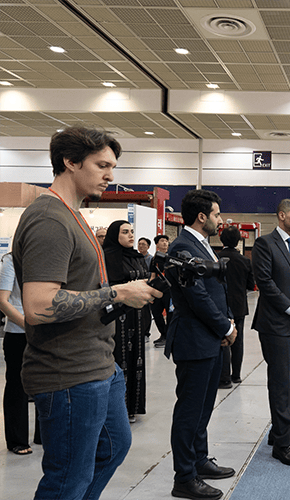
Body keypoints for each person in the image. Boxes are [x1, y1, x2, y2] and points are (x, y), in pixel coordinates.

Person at [12, 124, 160, 500]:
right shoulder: (49, 219)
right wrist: (117, 292)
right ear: (70, 162)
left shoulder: (73, 213)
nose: (110, 175)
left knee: (112, 448)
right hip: (68, 374)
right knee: (68, 478)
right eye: (102, 165)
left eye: (112, 167)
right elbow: (39, 306)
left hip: (98, 364)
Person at [164, 189, 237, 500]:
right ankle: (184, 477)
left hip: (210, 338)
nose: (221, 220)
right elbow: (197, 297)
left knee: (204, 407)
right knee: (189, 411)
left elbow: (217, 290)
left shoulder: (203, 245)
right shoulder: (182, 247)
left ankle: (199, 459)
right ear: (202, 216)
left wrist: (227, 321)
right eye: (217, 215)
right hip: (194, 339)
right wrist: (225, 326)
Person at [252, 199, 290, 467]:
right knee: (280, 384)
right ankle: (282, 445)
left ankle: (281, 432)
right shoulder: (264, 244)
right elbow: (265, 283)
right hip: (276, 325)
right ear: (282, 215)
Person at [103, 221, 150, 423]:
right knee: (119, 357)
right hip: (118, 316)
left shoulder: (137, 257)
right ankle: (118, 410)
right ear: (115, 235)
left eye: (132, 231)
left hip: (138, 315)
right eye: (125, 232)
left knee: (136, 357)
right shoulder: (107, 257)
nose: (131, 235)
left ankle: (133, 406)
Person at [1, 252, 40, 455]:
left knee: (45, 383)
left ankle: (43, 434)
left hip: (44, 331)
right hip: (18, 332)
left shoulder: (45, 258)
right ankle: (17, 439)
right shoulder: (11, 260)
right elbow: (3, 301)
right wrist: (28, 325)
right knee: (17, 385)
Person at [217, 226, 254, 388]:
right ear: (239, 240)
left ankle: (224, 377)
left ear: (221, 240)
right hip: (239, 306)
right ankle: (236, 375)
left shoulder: (216, 258)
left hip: (221, 305)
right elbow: (251, 285)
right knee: (238, 340)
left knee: (223, 338)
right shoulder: (245, 261)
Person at [151, 234, 171, 347]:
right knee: (156, 312)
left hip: (170, 290)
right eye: (162, 241)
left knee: (170, 314)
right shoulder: (155, 259)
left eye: (166, 241)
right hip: (158, 290)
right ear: (157, 244)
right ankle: (163, 334)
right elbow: (153, 275)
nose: (164, 243)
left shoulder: (172, 256)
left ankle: (168, 336)